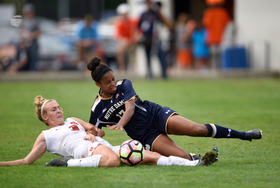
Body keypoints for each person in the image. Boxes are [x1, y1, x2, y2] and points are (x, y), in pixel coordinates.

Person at [87, 57, 262, 161]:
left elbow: (130, 108)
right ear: (97, 84)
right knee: (184, 158)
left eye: (113, 79)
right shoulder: (97, 108)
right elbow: (96, 130)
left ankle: (244, 135)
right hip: (145, 135)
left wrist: (120, 123)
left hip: (156, 115)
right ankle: (196, 158)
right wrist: (93, 133)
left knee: (197, 129)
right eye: (107, 82)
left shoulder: (124, 84)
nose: (113, 84)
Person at [0, 95, 219, 167]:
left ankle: (194, 164)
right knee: (113, 161)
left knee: (149, 155)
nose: (59, 110)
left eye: (59, 107)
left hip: (100, 145)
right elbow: (27, 161)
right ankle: (66, 162)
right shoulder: (45, 136)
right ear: (44, 117)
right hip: (84, 152)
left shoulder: (71, 120)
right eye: (53, 109)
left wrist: (92, 131)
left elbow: (99, 131)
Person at [138, 0, 173, 79]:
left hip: (157, 39)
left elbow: (169, 25)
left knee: (161, 55)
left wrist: (159, 12)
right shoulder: (143, 15)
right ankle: (150, 75)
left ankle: (164, 74)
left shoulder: (156, 14)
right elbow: (138, 27)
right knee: (148, 57)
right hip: (147, 39)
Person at [202, 0, 231, 69]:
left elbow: (206, 24)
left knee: (213, 54)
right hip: (222, 37)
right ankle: (221, 68)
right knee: (221, 54)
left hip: (212, 37)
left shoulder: (208, 12)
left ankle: (214, 68)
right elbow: (228, 24)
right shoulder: (223, 12)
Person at [114, 3, 140, 73]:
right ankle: (122, 67)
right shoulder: (119, 23)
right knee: (119, 51)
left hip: (132, 42)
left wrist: (133, 39)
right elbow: (118, 36)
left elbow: (136, 32)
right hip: (125, 43)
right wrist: (124, 40)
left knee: (133, 52)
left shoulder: (133, 22)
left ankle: (133, 68)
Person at [19, 3, 41, 71]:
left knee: (34, 60)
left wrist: (31, 35)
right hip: (25, 44)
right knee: (24, 59)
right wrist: (24, 36)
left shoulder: (36, 20)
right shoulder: (24, 21)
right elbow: (20, 31)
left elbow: (39, 32)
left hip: (33, 44)